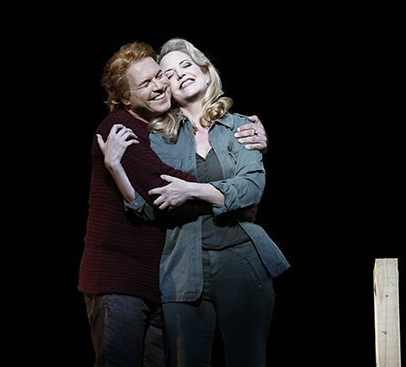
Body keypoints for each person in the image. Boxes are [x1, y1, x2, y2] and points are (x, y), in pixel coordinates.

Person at [78, 41, 269, 367]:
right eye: (145, 83)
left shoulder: (169, 128)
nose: (158, 85)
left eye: (158, 76)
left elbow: (217, 180)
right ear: (126, 98)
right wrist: (231, 195)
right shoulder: (119, 128)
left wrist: (253, 153)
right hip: (120, 280)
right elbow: (163, 192)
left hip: (165, 283)